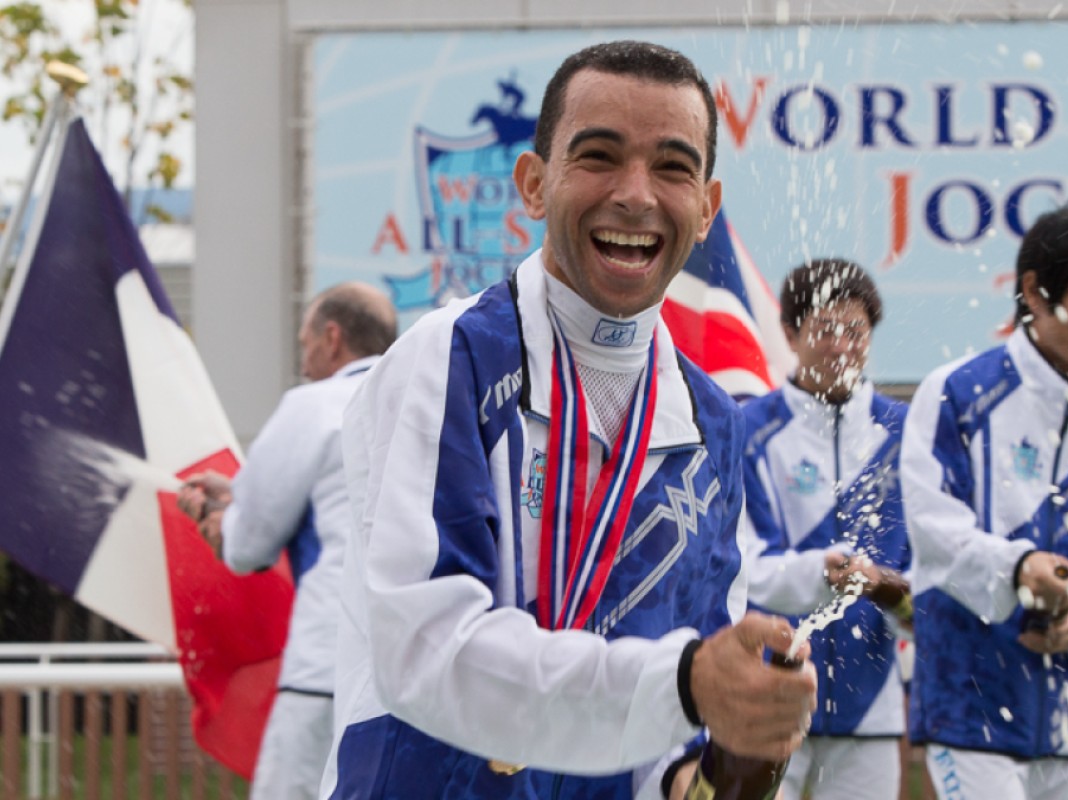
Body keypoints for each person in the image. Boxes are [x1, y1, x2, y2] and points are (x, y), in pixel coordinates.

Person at [319, 40, 818, 800]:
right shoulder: (451, 358)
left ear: (707, 208)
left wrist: (705, 768)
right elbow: (425, 649)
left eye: (673, 168)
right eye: (599, 156)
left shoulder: (715, 423)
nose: (636, 194)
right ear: (533, 182)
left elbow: (679, 712)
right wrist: (687, 684)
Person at [901, 204, 1068, 800]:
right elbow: (932, 530)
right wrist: (1019, 568)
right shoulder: (958, 394)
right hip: (967, 700)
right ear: (1033, 289)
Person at [177, 281, 397, 800]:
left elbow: (249, 545)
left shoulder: (314, 405)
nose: (304, 360)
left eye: (305, 344)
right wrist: (240, 493)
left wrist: (219, 519)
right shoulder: (427, 401)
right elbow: (350, 498)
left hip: (326, 664)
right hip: (411, 676)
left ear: (332, 338)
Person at [740, 259, 910, 800]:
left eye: (855, 331)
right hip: (772, 690)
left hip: (873, 701)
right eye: (824, 330)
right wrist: (820, 572)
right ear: (790, 333)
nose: (841, 346)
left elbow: (930, 570)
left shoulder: (905, 434)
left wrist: (887, 585)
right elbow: (741, 569)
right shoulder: (749, 430)